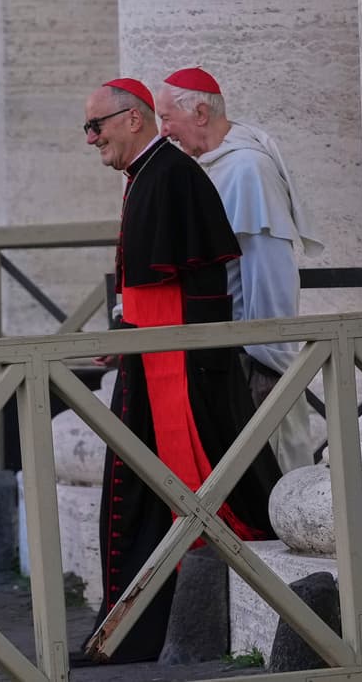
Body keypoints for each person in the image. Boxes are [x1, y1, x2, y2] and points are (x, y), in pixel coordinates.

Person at [79, 78, 282, 663]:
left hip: (177, 368)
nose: (91, 140)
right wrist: (127, 335)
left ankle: (140, 634)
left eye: (97, 126)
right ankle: (130, 632)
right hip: (155, 357)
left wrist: (145, 341)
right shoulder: (149, 175)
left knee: (179, 488)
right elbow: (151, 282)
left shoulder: (168, 174)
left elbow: (186, 287)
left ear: (133, 120)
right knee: (136, 490)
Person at [156, 67, 324, 474]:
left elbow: (270, 273)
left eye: (166, 118)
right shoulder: (211, 164)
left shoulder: (248, 170)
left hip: (252, 361)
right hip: (221, 353)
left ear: (199, 113)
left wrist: (268, 354)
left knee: (272, 471)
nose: (163, 132)